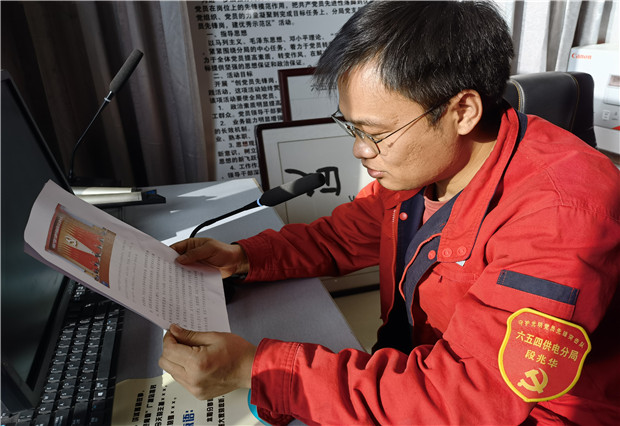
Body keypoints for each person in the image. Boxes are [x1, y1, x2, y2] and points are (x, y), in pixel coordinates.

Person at [158, 1, 620, 424]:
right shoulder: (427, 167)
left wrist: (257, 369)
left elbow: (466, 398)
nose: (360, 150)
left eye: (375, 133)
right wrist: (243, 257)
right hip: (415, 371)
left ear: (463, 111)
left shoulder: (562, 216)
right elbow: (340, 237)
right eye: (353, 128)